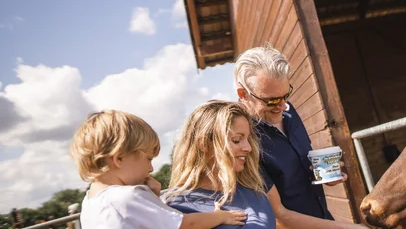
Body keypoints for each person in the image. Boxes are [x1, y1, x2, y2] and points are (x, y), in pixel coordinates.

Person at [163, 100, 363, 229]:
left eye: (248, 139)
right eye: (236, 140)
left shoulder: (253, 187)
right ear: (204, 144)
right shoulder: (173, 206)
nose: (248, 148)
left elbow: (282, 217)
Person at [69, 110, 247, 229]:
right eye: (148, 159)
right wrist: (221, 217)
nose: (151, 168)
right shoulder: (127, 197)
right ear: (119, 159)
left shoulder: (90, 202)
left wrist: (153, 198)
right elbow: (186, 224)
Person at [234, 45, 346, 220]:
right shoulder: (242, 141)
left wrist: (324, 175)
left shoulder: (288, 110)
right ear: (243, 94)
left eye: (286, 95)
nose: (281, 105)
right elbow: (277, 217)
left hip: (323, 218)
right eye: (271, 101)